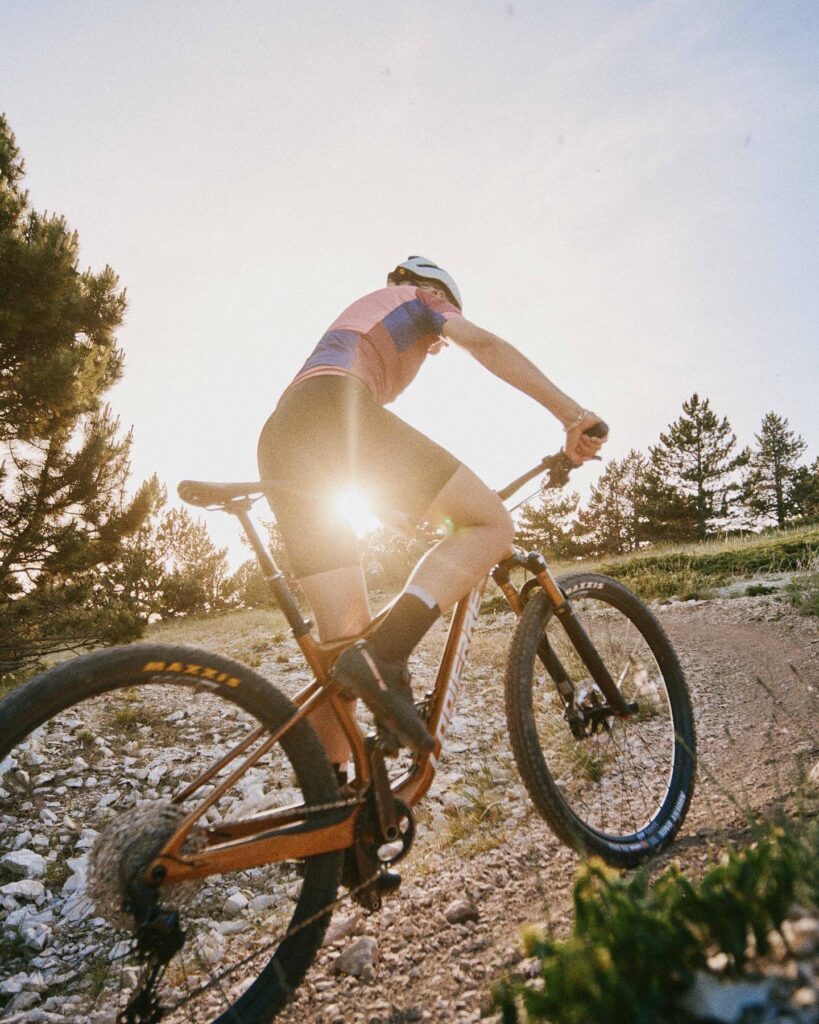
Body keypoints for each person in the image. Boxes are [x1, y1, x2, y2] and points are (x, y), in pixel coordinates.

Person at [257, 256, 606, 772]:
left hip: (282, 435)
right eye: (435, 343)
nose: (432, 349)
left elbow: (344, 455)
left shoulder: (361, 320)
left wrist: (393, 509)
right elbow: (484, 345)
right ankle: (387, 653)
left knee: (343, 646)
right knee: (491, 523)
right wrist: (573, 415)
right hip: (335, 408)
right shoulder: (419, 300)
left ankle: (334, 813)